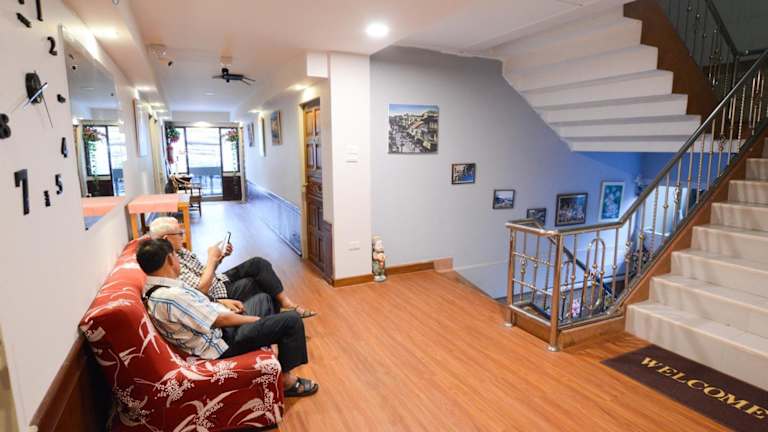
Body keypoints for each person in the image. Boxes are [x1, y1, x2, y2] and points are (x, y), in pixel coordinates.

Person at [136, 238, 318, 396]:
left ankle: (273, 344)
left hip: (219, 331)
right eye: (175, 256)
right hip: (222, 345)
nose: (178, 260)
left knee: (263, 298)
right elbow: (218, 320)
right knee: (292, 320)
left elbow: (199, 306)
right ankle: (286, 381)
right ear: (170, 259)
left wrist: (221, 302)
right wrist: (256, 321)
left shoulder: (159, 288)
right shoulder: (171, 296)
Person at [148, 217, 317, 318]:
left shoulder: (179, 251)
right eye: (179, 234)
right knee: (260, 284)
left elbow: (203, 272)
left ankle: (283, 306)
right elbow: (201, 290)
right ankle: (277, 321)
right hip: (216, 293)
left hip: (217, 281)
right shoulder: (168, 262)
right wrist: (211, 259)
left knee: (258, 264)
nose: (183, 237)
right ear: (166, 238)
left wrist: (219, 258)